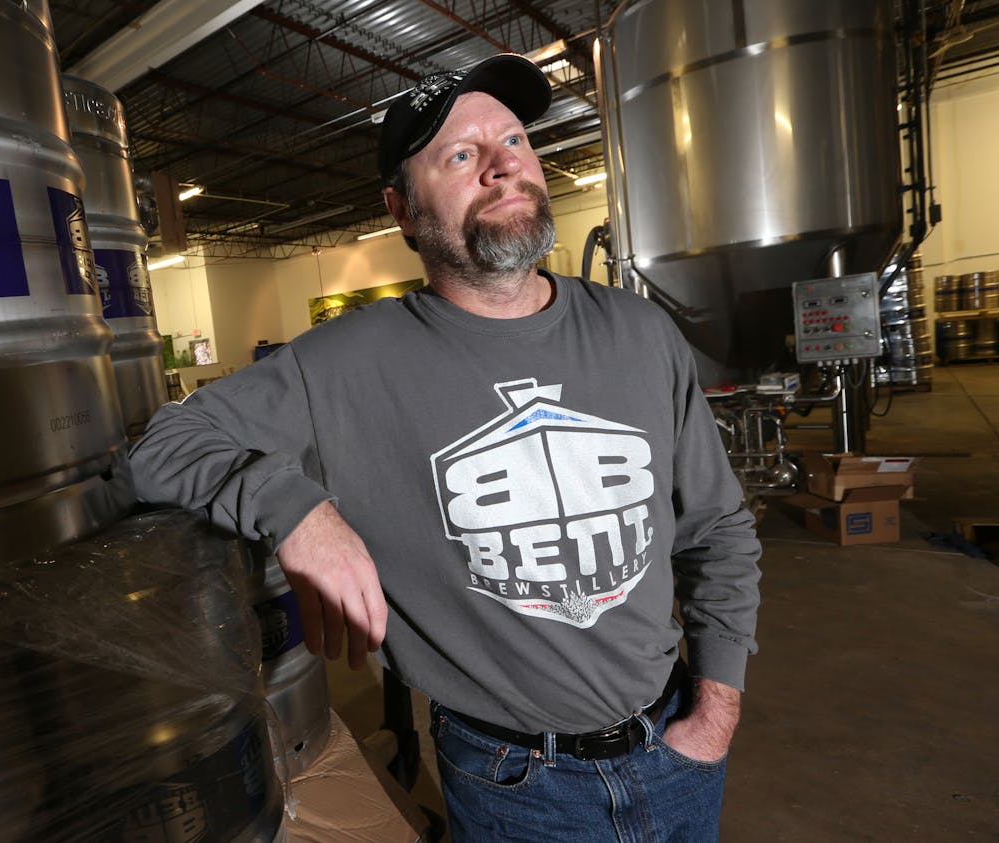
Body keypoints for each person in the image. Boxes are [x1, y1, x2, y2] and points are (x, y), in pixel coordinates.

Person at [129, 53, 762, 842]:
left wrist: (715, 711)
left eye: (515, 140)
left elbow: (717, 529)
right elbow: (164, 443)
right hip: (514, 787)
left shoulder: (638, 332)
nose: (502, 165)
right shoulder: (345, 363)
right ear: (400, 207)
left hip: (677, 751)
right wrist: (295, 509)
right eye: (461, 155)